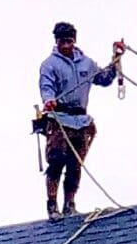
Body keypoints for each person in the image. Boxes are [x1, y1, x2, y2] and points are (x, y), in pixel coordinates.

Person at [36, 21, 124, 218]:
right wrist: (48, 100)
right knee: (57, 162)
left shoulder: (86, 63)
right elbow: (46, 86)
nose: (65, 46)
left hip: (81, 121)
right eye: (61, 42)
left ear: (74, 41)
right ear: (56, 42)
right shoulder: (49, 65)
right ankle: (52, 205)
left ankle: (70, 204)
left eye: (68, 41)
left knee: (75, 165)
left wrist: (116, 59)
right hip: (59, 119)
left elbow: (104, 79)